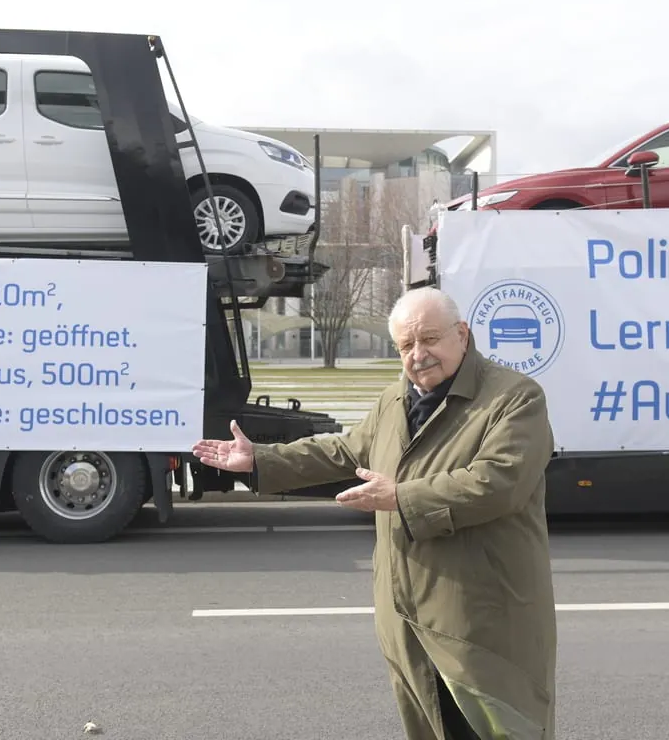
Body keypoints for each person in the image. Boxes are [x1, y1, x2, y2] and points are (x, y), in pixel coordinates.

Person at [192, 287, 557, 740]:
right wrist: (260, 461)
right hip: (405, 621)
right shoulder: (395, 399)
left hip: (476, 625)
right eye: (406, 346)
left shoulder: (514, 398)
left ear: (462, 334)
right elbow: (344, 451)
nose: (418, 356)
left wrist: (401, 496)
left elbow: (499, 482)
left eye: (429, 339)